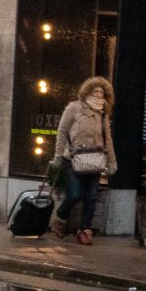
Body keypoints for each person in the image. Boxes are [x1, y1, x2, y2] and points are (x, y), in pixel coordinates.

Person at [52, 76, 117, 245]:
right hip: (72, 158)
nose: (98, 95)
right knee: (74, 193)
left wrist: (112, 161)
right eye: (95, 91)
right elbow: (62, 131)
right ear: (88, 91)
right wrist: (58, 155)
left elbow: (107, 139)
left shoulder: (102, 114)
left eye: (102, 92)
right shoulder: (74, 107)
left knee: (91, 196)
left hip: (94, 160)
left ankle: (84, 230)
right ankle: (61, 218)